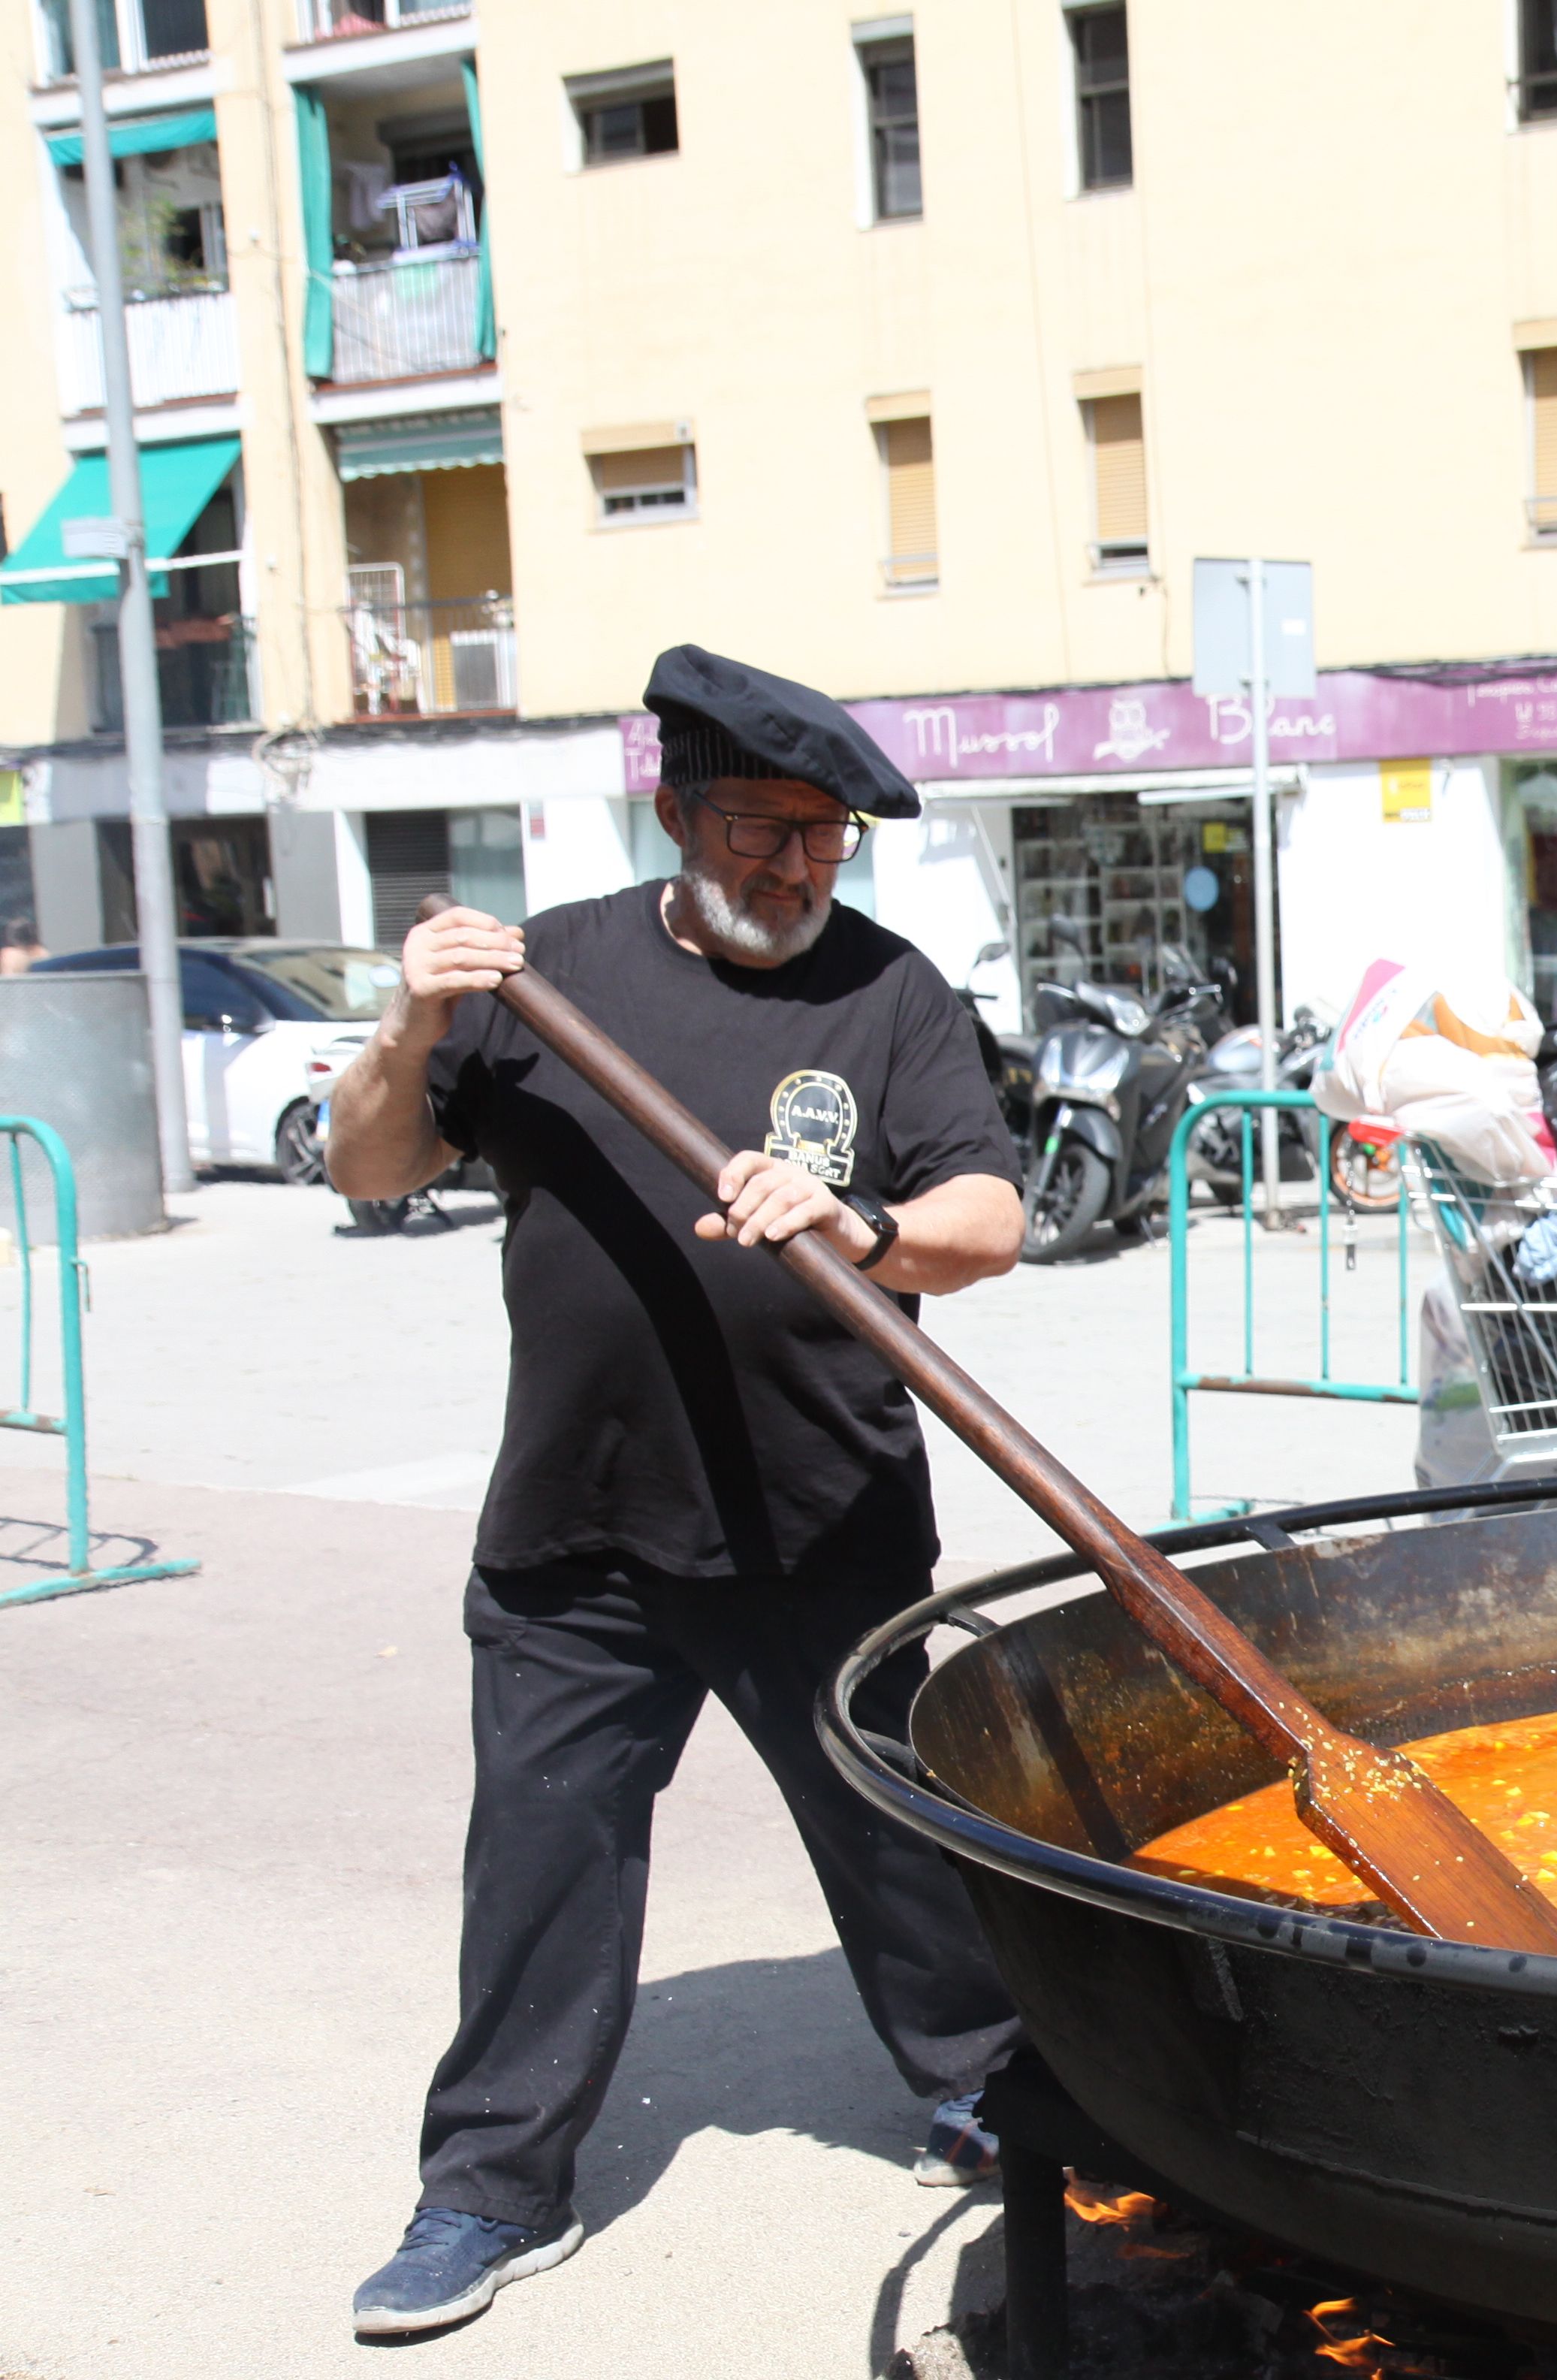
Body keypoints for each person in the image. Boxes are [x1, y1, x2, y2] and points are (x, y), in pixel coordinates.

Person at [324, 647, 1031, 2339]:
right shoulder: (544, 972)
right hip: (581, 1524)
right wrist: (414, 1017)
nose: (793, 867)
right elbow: (370, 1163)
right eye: (757, 830)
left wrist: (863, 1228)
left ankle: (985, 2086)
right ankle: (489, 2187)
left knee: (900, 1836)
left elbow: (989, 1220)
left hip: (824, 1516)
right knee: (543, 1856)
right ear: (673, 809)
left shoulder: (890, 995)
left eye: (824, 837)